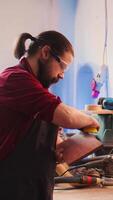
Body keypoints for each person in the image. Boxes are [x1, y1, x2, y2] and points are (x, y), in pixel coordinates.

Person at [0, 30, 99, 200]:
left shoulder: (35, 88)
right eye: (62, 66)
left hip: (33, 184)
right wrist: (92, 121)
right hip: (12, 185)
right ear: (45, 52)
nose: (62, 75)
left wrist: (57, 144)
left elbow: (38, 123)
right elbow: (65, 116)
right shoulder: (15, 79)